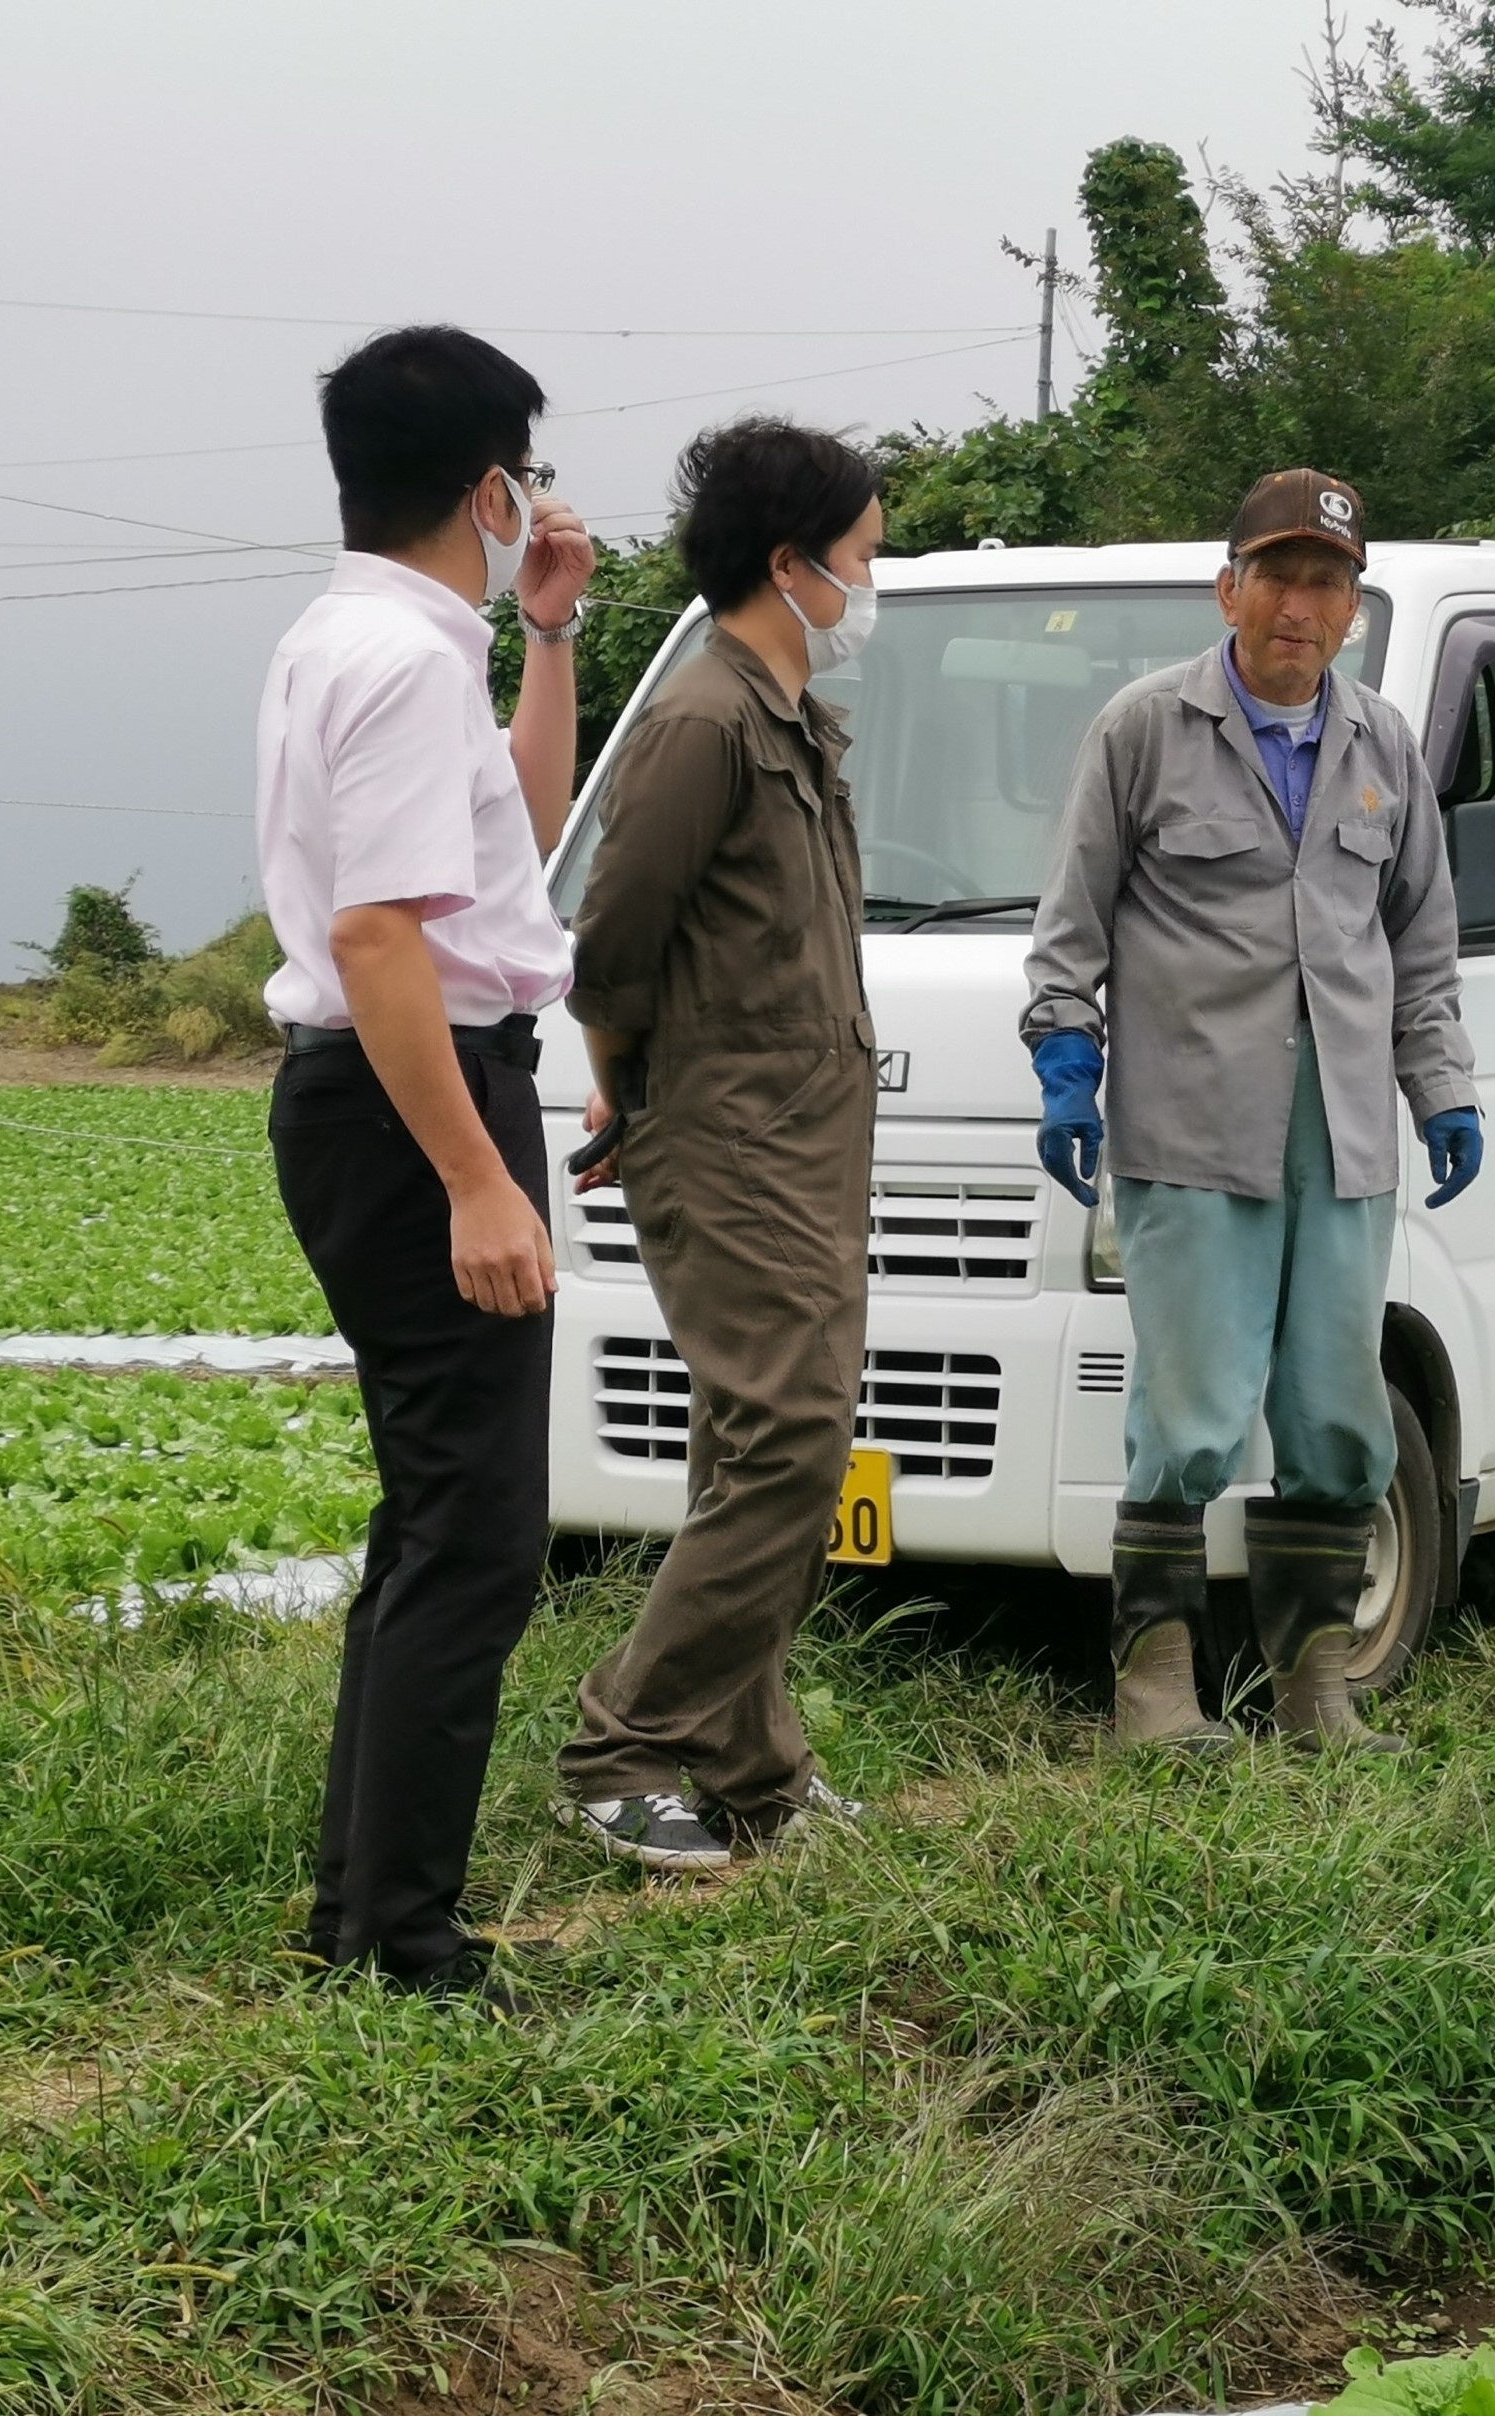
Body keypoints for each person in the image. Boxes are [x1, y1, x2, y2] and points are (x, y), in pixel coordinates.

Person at [1023, 469, 1483, 1754]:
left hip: (1340, 1133)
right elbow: (1069, 928)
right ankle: (1155, 1695)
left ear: (1352, 608)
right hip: (1189, 1131)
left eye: (1326, 581)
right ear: (1228, 588)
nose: (1298, 603)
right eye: (1276, 575)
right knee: (1189, 1412)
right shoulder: (1142, 728)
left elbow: (1421, 948)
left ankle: (1316, 1691)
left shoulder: (1385, 747)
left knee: (1338, 1414)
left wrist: (1440, 1089)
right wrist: (1067, 1055)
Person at [257, 325, 596, 2008]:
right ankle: (406, 1946)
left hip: (387, 1089)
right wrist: (476, 1177)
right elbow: (380, 935)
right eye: (520, 476)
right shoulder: (395, 662)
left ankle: (366, 1912)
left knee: (434, 1518)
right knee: (478, 1532)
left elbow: (505, 849)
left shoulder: (368, 638)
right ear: (488, 484)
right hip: (418, 1095)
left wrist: (548, 635)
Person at [551, 419, 883, 1872]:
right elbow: (611, 939)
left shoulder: (791, 714)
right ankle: (624, 1743)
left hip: (802, 1138)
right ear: (790, 563)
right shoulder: (701, 719)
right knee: (795, 1450)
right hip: (730, 1137)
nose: (872, 582)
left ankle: (750, 1767)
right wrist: (630, 1091)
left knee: (747, 1444)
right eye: (864, 556)